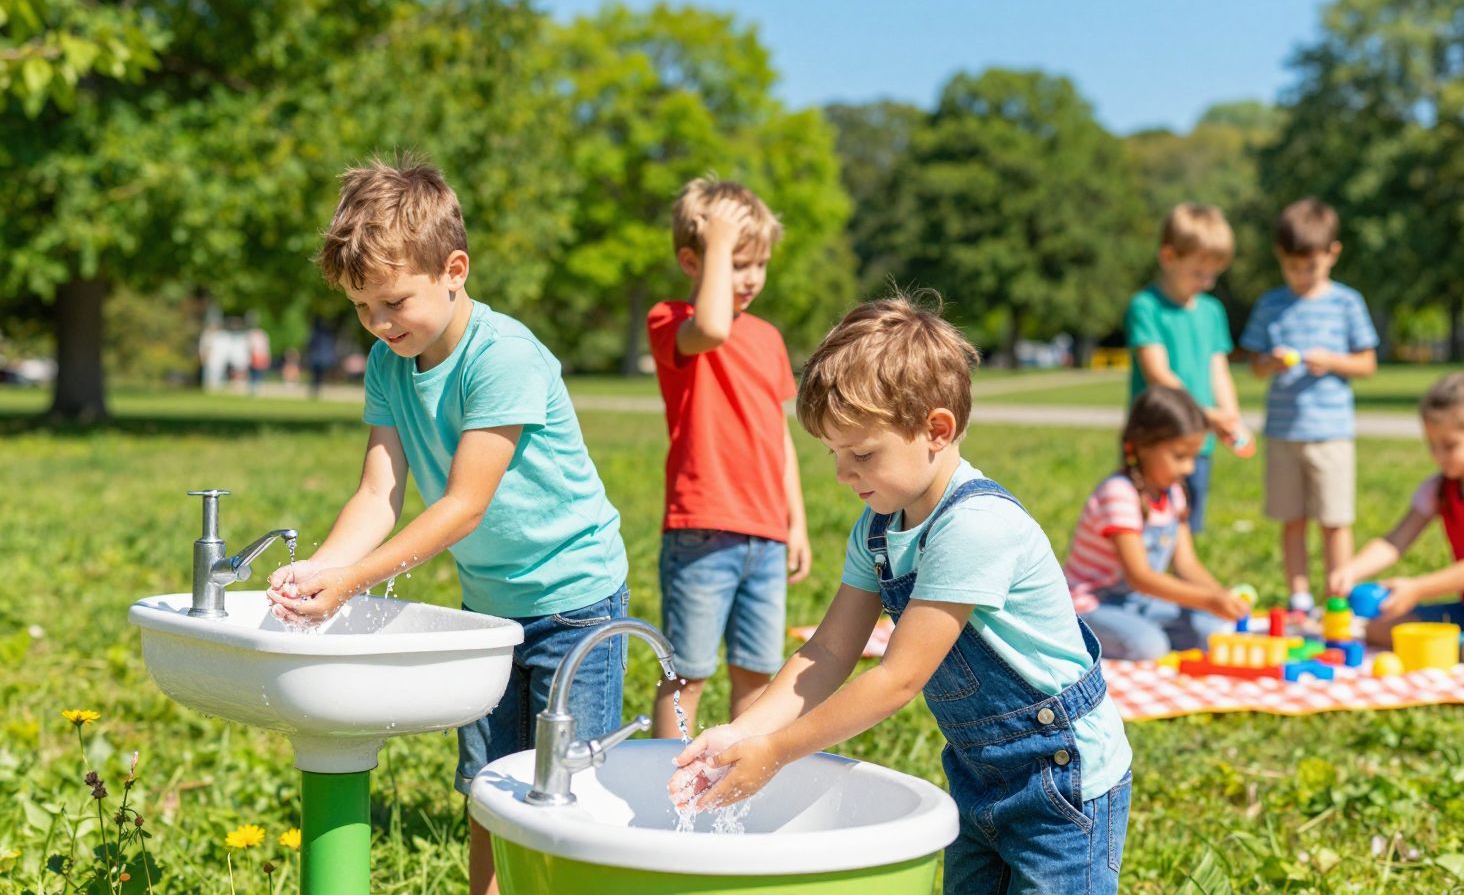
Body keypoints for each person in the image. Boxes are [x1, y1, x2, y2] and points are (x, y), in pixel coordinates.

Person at [670, 295, 1133, 894]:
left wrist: (777, 750)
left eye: (862, 454)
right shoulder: (879, 530)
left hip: (1061, 783)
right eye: (835, 453)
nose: (843, 473)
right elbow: (826, 652)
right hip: (978, 773)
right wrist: (743, 733)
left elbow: (898, 678)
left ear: (937, 430)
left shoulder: (975, 527)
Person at [265, 154, 629, 895]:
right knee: (489, 788)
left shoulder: (503, 357)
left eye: (393, 302)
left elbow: (465, 505)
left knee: (571, 795)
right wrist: (323, 568)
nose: (378, 323)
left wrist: (353, 582)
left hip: (576, 601)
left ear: (453, 269)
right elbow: (378, 491)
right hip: (490, 607)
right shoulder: (387, 363)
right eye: (362, 308)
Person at [647, 177, 812, 739]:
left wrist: (795, 522)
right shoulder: (670, 320)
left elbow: (777, 435)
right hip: (702, 531)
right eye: (737, 263)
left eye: (759, 264)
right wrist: (718, 239)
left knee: (757, 678)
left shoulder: (768, 338)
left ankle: (738, 785)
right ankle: (662, 785)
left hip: (764, 537)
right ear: (691, 261)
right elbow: (712, 327)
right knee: (686, 677)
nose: (751, 278)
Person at [1330, 364, 1464, 666]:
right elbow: (1394, 541)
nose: (1439, 456)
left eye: (1449, 446)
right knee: (1378, 628)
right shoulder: (1439, 488)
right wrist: (1352, 569)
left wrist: (1417, 589)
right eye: (1433, 445)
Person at [1240, 198, 1378, 613]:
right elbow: (1254, 367)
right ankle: (1299, 597)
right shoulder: (1270, 305)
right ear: (1280, 256)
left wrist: (1332, 361)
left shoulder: (1347, 302)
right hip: (1283, 433)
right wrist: (1271, 362)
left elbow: (1367, 363)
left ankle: (1338, 597)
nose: (1302, 276)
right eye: (1293, 267)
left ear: (1332, 253)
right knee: (1292, 519)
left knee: (1335, 520)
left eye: (1311, 267)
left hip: (1331, 433)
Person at [1066, 386, 1250, 660]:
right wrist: (1208, 600)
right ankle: (1076, 638)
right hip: (1093, 605)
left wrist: (1221, 596)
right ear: (1141, 446)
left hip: (1142, 602)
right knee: (1150, 646)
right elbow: (1139, 577)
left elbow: (1186, 565)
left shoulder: (1173, 493)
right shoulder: (1119, 494)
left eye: (1193, 457)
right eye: (1179, 456)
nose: (1189, 468)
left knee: (1212, 629)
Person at [1125, 202, 1246, 534]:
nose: (1207, 283)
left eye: (1213, 275)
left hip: (1196, 442)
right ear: (1168, 257)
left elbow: (1218, 370)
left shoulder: (1212, 311)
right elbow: (1157, 374)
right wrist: (1206, 414)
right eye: (1198, 273)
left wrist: (1230, 415)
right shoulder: (1146, 307)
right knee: (1145, 522)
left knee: (1187, 524)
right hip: (1156, 441)